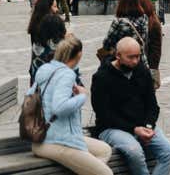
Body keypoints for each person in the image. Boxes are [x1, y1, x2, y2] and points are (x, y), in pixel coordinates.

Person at [92, 37, 170, 175]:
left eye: (138, 56)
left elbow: (152, 106)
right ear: (118, 55)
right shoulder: (102, 77)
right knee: (134, 151)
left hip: (142, 126)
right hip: (112, 128)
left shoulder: (142, 71)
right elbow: (104, 114)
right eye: (130, 57)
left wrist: (148, 126)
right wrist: (133, 129)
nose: (135, 61)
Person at [29, 36, 113, 175]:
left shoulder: (45, 70)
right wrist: (81, 96)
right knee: (106, 173)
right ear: (79, 54)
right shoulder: (66, 74)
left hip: (43, 138)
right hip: (57, 142)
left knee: (104, 150)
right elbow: (59, 107)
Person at [102, 0, 149, 68]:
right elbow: (145, 38)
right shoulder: (144, 18)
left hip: (122, 61)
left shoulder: (118, 21)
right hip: (140, 60)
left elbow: (107, 43)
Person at [28, 0, 64, 84]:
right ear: (47, 8)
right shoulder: (51, 25)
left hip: (36, 71)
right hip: (50, 76)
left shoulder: (35, 25)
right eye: (55, 6)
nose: (57, 9)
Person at [136, 0, 163, 90]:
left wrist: (153, 68)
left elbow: (156, 49)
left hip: (146, 66)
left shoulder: (153, 23)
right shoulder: (137, 21)